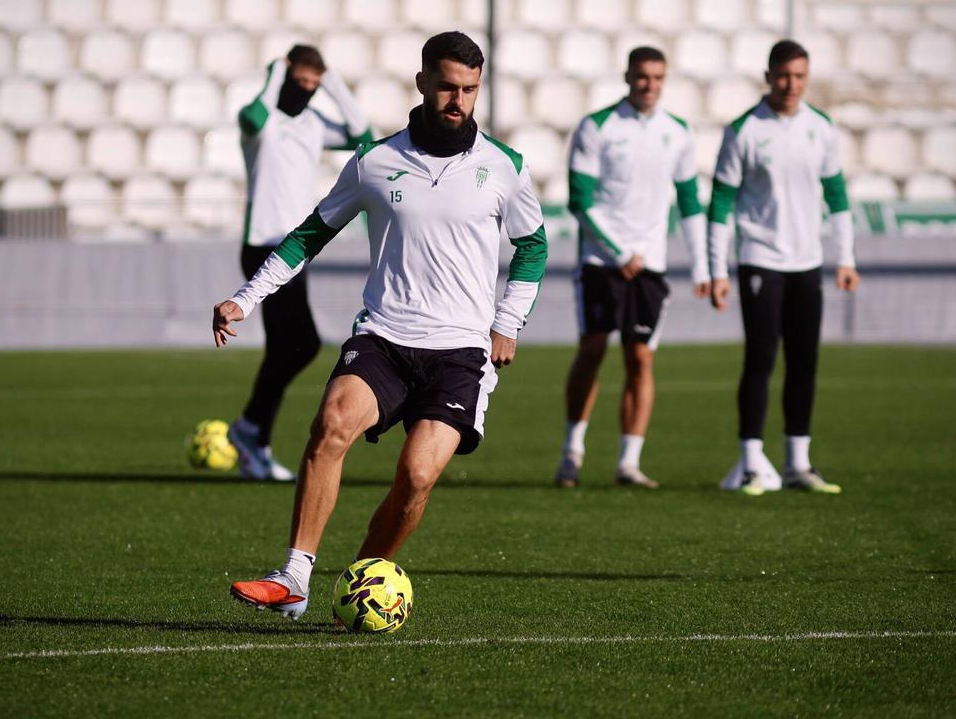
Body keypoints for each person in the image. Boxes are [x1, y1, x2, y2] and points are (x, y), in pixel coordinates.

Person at [211, 31, 548, 619]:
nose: (458, 101)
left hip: (460, 353)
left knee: (415, 476)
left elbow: (533, 247)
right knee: (332, 423)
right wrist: (247, 298)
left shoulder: (505, 167)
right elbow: (310, 235)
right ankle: (294, 577)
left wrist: (508, 322)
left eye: (470, 90)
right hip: (384, 338)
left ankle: (361, 580)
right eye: (447, 86)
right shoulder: (374, 161)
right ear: (422, 82)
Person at [708, 39, 860, 496]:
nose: (792, 85)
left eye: (799, 76)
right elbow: (721, 203)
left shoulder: (821, 128)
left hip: (806, 261)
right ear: (768, 76)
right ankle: (751, 464)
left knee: (804, 361)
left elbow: (837, 197)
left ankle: (798, 464)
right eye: (784, 76)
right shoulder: (744, 130)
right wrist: (717, 270)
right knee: (761, 359)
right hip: (761, 258)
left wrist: (846, 257)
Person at [555, 47, 710, 489]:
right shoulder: (598, 126)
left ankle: (629, 462)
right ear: (627, 77)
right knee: (592, 349)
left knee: (640, 357)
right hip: (602, 262)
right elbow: (580, 200)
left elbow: (689, 202)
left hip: (650, 266)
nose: (650, 85)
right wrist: (619, 252)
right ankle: (572, 451)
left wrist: (702, 265)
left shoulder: (677, 132)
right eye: (643, 76)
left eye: (658, 78)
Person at [228, 44, 373, 481]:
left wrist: (333, 83)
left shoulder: (312, 123)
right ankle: (251, 431)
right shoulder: (264, 120)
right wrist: (275, 73)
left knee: (287, 347)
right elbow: (252, 118)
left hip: (297, 249)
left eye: (313, 85)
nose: (305, 91)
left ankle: (252, 435)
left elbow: (363, 135)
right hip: (264, 247)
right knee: (301, 344)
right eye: (300, 82)